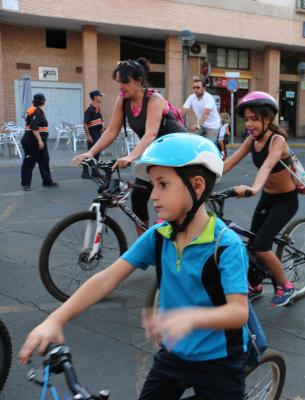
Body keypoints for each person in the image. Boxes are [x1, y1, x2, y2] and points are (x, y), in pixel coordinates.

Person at [19, 133, 250, 399]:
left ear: (197, 186)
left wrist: (190, 317)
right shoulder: (159, 236)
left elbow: (237, 312)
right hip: (174, 354)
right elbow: (106, 279)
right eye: (153, 185)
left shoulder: (225, 245)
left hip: (218, 361)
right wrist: (55, 319)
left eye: (163, 184)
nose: (153, 195)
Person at [73, 58, 186, 236]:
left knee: (165, 196)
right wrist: (91, 153)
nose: (121, 86)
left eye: (125, 82)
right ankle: (144, 242)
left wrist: (131, 156)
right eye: (119, 82)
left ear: (139, 80)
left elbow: (150, 133)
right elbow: (111, 131)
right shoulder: (123, 100)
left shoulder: (154, 99)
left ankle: (175, 234)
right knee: (138, 197)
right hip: (155, 151)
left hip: (176, 149)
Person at [223, 91, 298, 307]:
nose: (249, 124)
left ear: (267, 118)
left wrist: (254, 188)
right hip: (267, 197)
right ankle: (255, 285)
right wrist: (203, 179)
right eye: (246, 119)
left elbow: (267, 165)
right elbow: (229, 163)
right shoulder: (251, 140)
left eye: (254, 119)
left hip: (285, 200)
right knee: (252, 242)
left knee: (262, 246)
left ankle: (285, 285)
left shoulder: (278, 140)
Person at [20, 93, 58, 191]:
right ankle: (26, 184)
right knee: (29, 162)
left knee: (44, 160)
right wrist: (40, 141)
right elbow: (33, 126)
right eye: (44, 100)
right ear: (42, 101)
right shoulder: (36, 111)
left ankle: (47, 181)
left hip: (38, 141)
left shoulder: (36, 110)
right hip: (32, 141)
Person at [81, 90, 105, 179]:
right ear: (95, 97)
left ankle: (95, 172)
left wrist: (102, 128)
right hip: (92, 134)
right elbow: (85, 124)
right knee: (90, 153)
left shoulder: (98, 109)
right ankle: (85, 172)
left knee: (97, 153)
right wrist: (88, 136)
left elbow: (99, 121)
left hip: (98, 133)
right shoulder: (89, 110)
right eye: (99, 96)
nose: (100, 97)